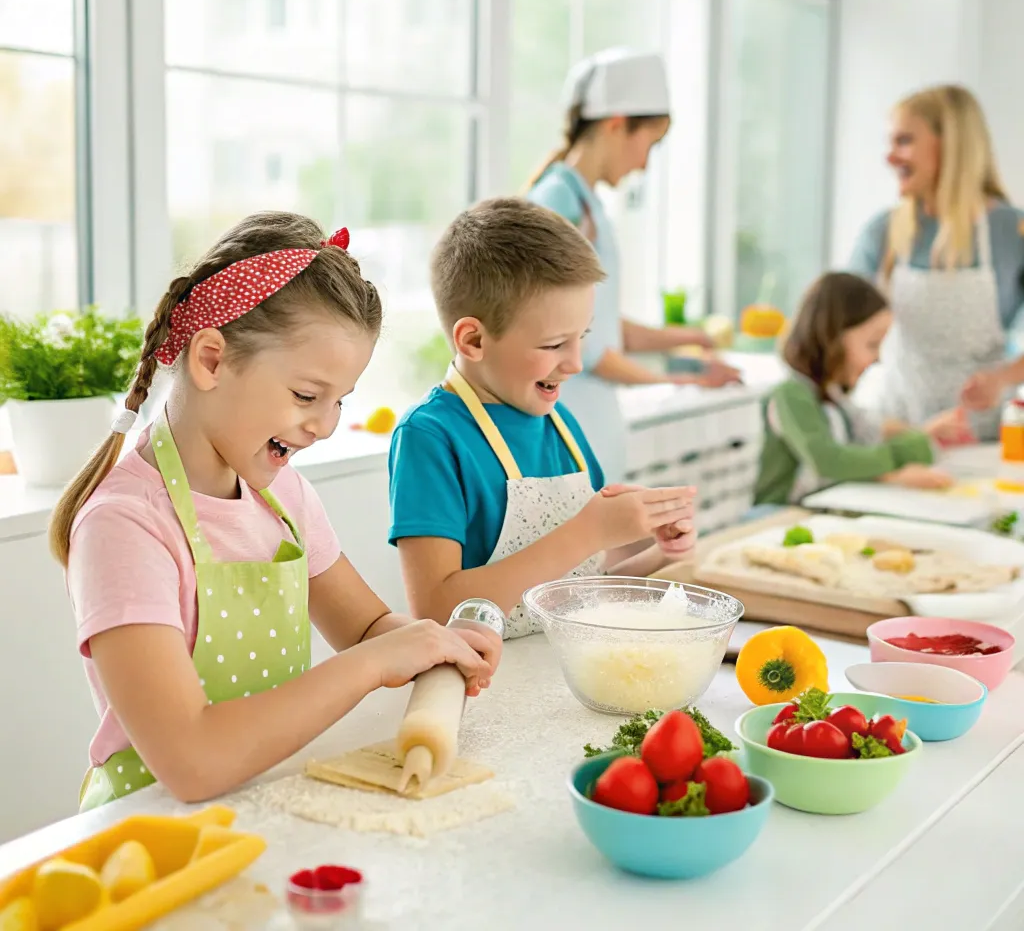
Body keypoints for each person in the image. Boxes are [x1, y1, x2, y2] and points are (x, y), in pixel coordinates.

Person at [51, 212, 500, 809]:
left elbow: (365, 629)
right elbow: (192, 762)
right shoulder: (125, 525)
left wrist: (434, 644)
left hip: (263, 804)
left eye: (341, 401)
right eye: (306, 396)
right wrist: (378, 662)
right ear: (211, 360)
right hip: (154, 832)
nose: (325, 426)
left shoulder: (281, 497)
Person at [388, 198, 697, 639]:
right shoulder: (430, 436)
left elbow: (580, 588)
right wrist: (590, 532)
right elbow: (437, 611)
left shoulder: (560, 423)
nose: (575, 362)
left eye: (583, 337)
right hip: (483, 689)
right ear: (474, 339)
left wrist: (661, 550)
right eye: (554, 344)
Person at [525, 47, 741, 483]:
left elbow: (600, 325)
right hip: (565, 426)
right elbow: (577, 346)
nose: (644, 164)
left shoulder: (587, 204)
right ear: (617, 124)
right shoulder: (559, 205)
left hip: (589, 427)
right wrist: (687, 378)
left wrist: (690, 342)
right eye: (650, 144)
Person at [848, 84, 1024, 438]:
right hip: (896, 433)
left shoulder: (1012, 233)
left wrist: (1003, 378)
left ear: (952, 145)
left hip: (980, 437)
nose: (890, 157)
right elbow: (834, 329)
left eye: (904, 141)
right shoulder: (882, 233)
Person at [754, 272, 968, 505]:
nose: (878, 359)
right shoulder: (791, 393)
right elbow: (829, 460)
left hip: (819, 509)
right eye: (872, 344)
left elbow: (872, 429)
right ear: (832, 337)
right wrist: (898, 460)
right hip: (777, 515)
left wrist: (924, 434)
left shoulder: (833, 396)